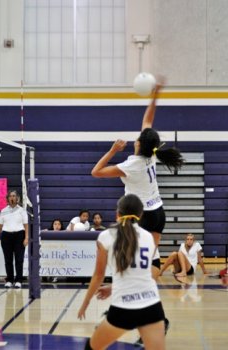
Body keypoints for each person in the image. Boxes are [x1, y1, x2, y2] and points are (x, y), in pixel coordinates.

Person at [91, 79, 183, 343]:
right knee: (144, 269)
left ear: (138, 144)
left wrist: (112, 150)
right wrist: (156, 94)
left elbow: (95, 172)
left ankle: (142, 314)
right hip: (158, 213)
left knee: (132, 266)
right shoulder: (152, 152)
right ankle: (134, 310)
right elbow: (148, 119)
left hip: (139, 218)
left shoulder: (131, 163)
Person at [78, 194, 165, 350]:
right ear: (141, 215)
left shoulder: (106, 236)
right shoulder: (148, 237)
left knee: (92, 348)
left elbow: (99, 276)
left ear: (117, 213)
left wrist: (85, 303)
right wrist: (113, 288)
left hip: (123, 306)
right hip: (151, 304)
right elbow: (138, 275)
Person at [0, 190, 28, 289]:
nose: (12, 198)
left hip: (19, 235)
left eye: (14, 196)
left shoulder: (22, 210)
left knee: (19, 259)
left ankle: (19, 280)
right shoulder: (3, 210)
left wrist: (26, 237)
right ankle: (9, 280)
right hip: (6, 236)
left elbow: (26, 225)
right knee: (8, 259)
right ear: (8, 198)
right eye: (10, 196)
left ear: (17, 198)